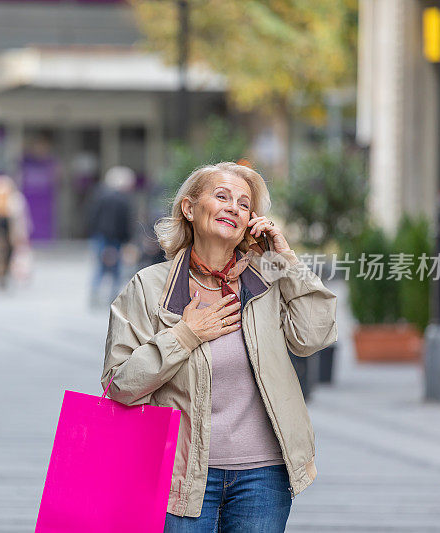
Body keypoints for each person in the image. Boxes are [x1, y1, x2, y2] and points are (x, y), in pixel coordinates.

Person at [100, 162, 337, 532]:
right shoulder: (148, 287)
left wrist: (286, 261)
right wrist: (185, 335)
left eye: (244, 205)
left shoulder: (267, 282)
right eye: (222, 196)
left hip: (264, 476)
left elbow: (314, 336)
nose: (233, 207)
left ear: (250, 223)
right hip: (182, 475)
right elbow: (119, 385)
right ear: (190, 209)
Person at [87, 166, 135, 306]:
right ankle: (113, 297)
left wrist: (93, 233)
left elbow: (92, 217)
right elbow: (125, 223)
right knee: (116, 270)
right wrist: (127, 240)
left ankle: (94, 295)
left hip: (100, 237)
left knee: (99, 267)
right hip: (116, 239)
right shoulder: (124, 200)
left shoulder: (100, 196)